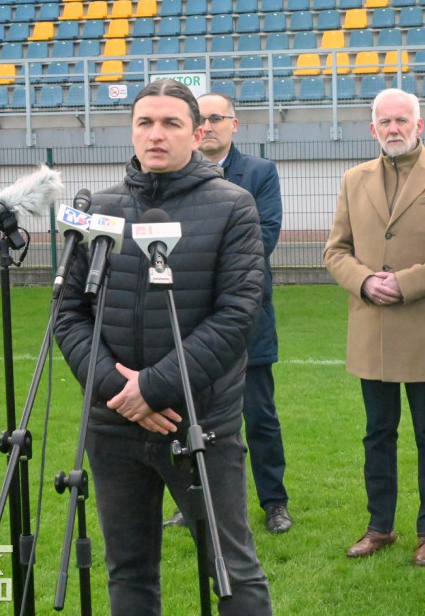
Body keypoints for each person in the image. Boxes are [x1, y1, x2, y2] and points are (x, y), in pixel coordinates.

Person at [54, 79, 272, 615]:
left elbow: (238, 313)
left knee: (232, 571)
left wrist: (153, 388)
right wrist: (118, 391)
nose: (156, 135)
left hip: (200, 423)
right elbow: (68, 313)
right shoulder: (100, 208)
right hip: (113, 424)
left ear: (197, 134)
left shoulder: (232, 205)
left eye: (171, 123)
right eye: (144, 123)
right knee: (128, 573)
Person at [323, 88, 425, 567]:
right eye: (385, 121)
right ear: (373, 129)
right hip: (373, 330)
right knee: (377, 433)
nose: (394, 128)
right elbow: (334, 251)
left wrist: (405, 283)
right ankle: (379, 527)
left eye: (402, 120)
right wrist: (366, 281)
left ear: (419, 125)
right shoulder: (353, 180)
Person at [166, 92, 292, 534]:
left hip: (245, 319)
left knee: (259, 416)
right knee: (188, 419)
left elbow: (264, 238)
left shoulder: (259, 173)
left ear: (234, 124)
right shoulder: (174, 175)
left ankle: (274, 502)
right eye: (201, 118)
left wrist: (201, 251)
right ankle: (192, 501)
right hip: (189, 319)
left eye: (217, 117)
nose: (209, 124)